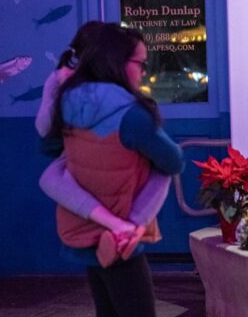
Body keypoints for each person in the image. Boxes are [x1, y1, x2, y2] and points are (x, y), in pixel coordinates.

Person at [46, 22, 183, 317]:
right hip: (121, 233)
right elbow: (173, 160)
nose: (143, 72)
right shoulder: (131, 113)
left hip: (86, 231)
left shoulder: (69, 104)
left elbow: (49, 155)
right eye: (140, 63)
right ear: (117, 63)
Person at [37, 21, 172, 267]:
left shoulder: (68, 89)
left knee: (52, 177)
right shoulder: (123, 103)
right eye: (140, 64)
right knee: (161, 172)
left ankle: (121, 228)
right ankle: (130, 228)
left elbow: (45, 136)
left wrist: (56, 87)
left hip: (81, 182)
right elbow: (171, 160)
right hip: (113, 182)